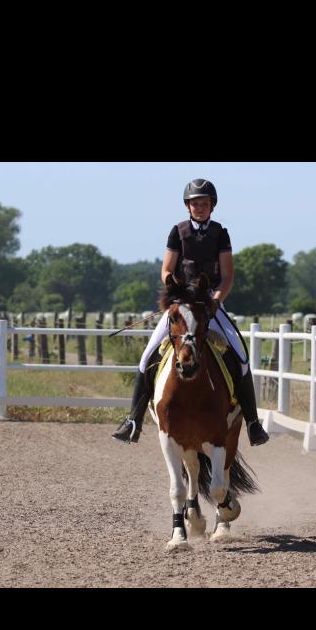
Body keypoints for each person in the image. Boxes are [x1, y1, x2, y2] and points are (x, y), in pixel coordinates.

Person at [112, 178, 269, 446]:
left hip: (209, 302)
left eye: (204, 203)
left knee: (241, 356)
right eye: (195, 203)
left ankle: (253, 423)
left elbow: (227, 275)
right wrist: (175, 291)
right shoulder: (178, 231)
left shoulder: (221, 233)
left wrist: (216, 300)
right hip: (182, 302)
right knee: (147, 356)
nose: (200, 207)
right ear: (188, 206)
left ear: (212, 206)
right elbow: (166, 270)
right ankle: (133, 420)